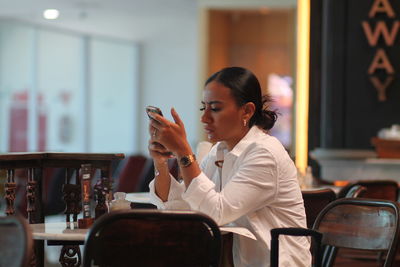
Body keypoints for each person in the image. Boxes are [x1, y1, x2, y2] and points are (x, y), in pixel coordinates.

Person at [147, 67, 311, 267]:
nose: (204, 118)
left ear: (247, 111)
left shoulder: (264, 153)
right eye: (203, 108)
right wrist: (161, 163)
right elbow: (184, 206)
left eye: (215, 108)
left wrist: (183, 152)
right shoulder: (219, 151)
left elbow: (216, 213)